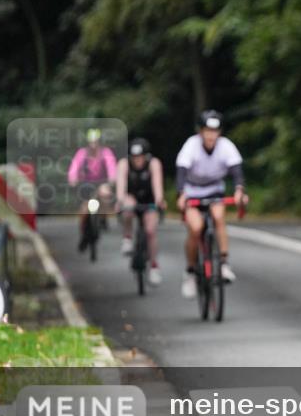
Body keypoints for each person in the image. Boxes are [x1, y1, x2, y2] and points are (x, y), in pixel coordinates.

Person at [175, 110, 246, 299]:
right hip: (192, 192)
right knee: (196, 228)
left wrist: (239, 191)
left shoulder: (226, 146)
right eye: (207, 131)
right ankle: (190, 271)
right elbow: (181, 170)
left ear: (219, 132)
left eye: (214, 131)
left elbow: (236, 170)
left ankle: (223, 263)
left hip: (215, 190)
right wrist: (181, 194)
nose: (211, 135)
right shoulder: (191, 145)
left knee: (219, 217)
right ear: (200, 131)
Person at [115, 138, 166, 285]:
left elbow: (157, 185)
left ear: (146, 156)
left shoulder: (154, 164)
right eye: (135, 157)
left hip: (149, 200)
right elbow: (121, 187)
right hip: (131, 198)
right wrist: (120, 201)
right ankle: (128, 237)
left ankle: (154, 266)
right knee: (128, 206)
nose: (138, 160)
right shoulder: (124, 164)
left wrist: (159, 200)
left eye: (141, 157)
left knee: (150, 231)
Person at [66, 128, 117, 252]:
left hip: (101, 182)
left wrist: (112, 179)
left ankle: (103, 217)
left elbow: (112, 167)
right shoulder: (82, 153)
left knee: (105, 194)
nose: (93, 145)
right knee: (84, 209)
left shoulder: (106, 152)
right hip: (85, 183)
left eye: (96, 142)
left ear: (99, 142)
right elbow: (74, 167)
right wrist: (72, 178)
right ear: (88, 143)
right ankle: (83, 233)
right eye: (91, 142)